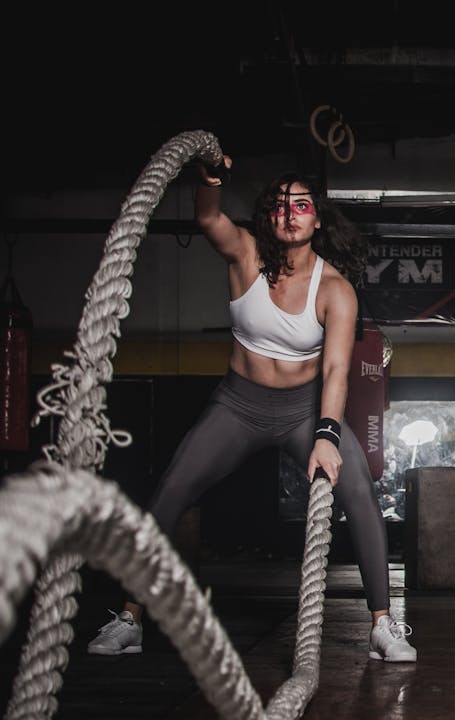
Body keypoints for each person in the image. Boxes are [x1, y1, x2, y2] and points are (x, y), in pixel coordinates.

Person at [86, 156, 416, 663]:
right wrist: (211, 179)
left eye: (301, 206)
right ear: (269, 217)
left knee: (360, 494)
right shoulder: (245, 255)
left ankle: (382, 626)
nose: (290, 214)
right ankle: (130, 619)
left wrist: (327, 434)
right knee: (171, 489)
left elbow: (335, 372)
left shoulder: (335, 290)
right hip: (238, 405)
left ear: (317, 219)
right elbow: (208, 219)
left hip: (306, 410)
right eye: (280, 206)